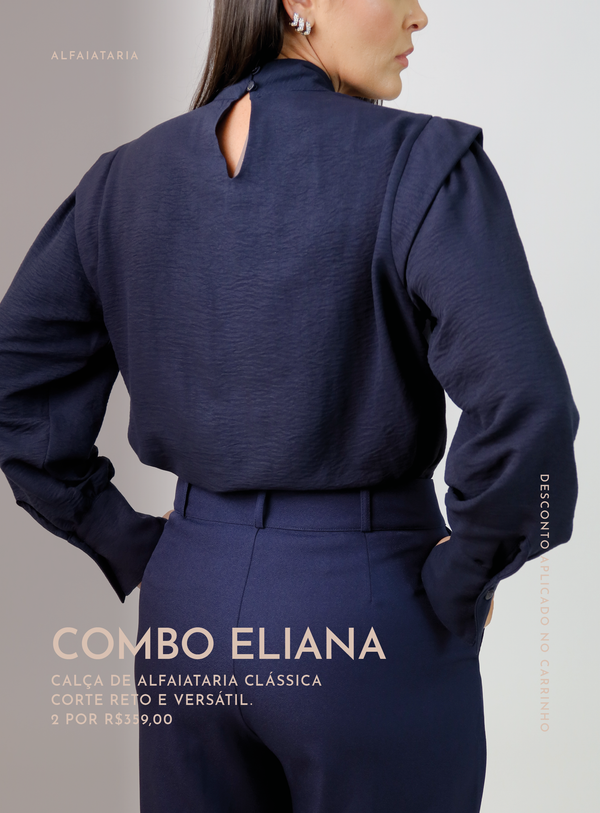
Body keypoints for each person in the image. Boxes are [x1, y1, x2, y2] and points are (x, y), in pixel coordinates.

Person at [0, 1, 579, 811]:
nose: (419, 15)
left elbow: (15, 385)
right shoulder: (420, 162)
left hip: (186, 610)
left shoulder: (123, 177)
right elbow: (531, 408)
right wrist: (470, 572)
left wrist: (125, 541)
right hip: (367, 609)